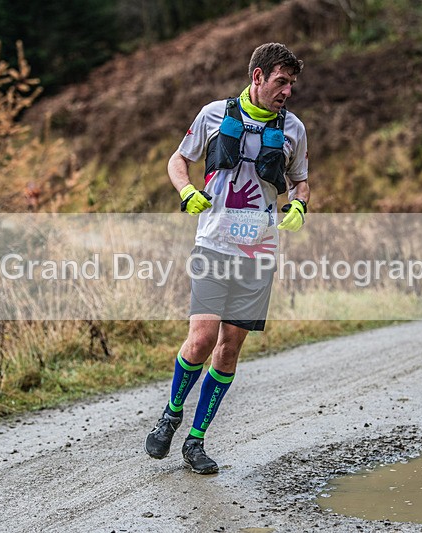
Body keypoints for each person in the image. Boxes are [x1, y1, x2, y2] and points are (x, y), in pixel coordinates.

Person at [144, 43, 310, 474]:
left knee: (229, 349)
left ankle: (195, 442)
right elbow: (178, 159)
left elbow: (301, 182)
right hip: (214, 245)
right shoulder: (214, 114)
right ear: (257, 77)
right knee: (201, 338)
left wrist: (298, 207)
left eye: (292, 83)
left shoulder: (294, 129)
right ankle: (171, 414)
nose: (287, 91)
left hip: (258, 253)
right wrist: (185, 191)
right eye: (281, 82)